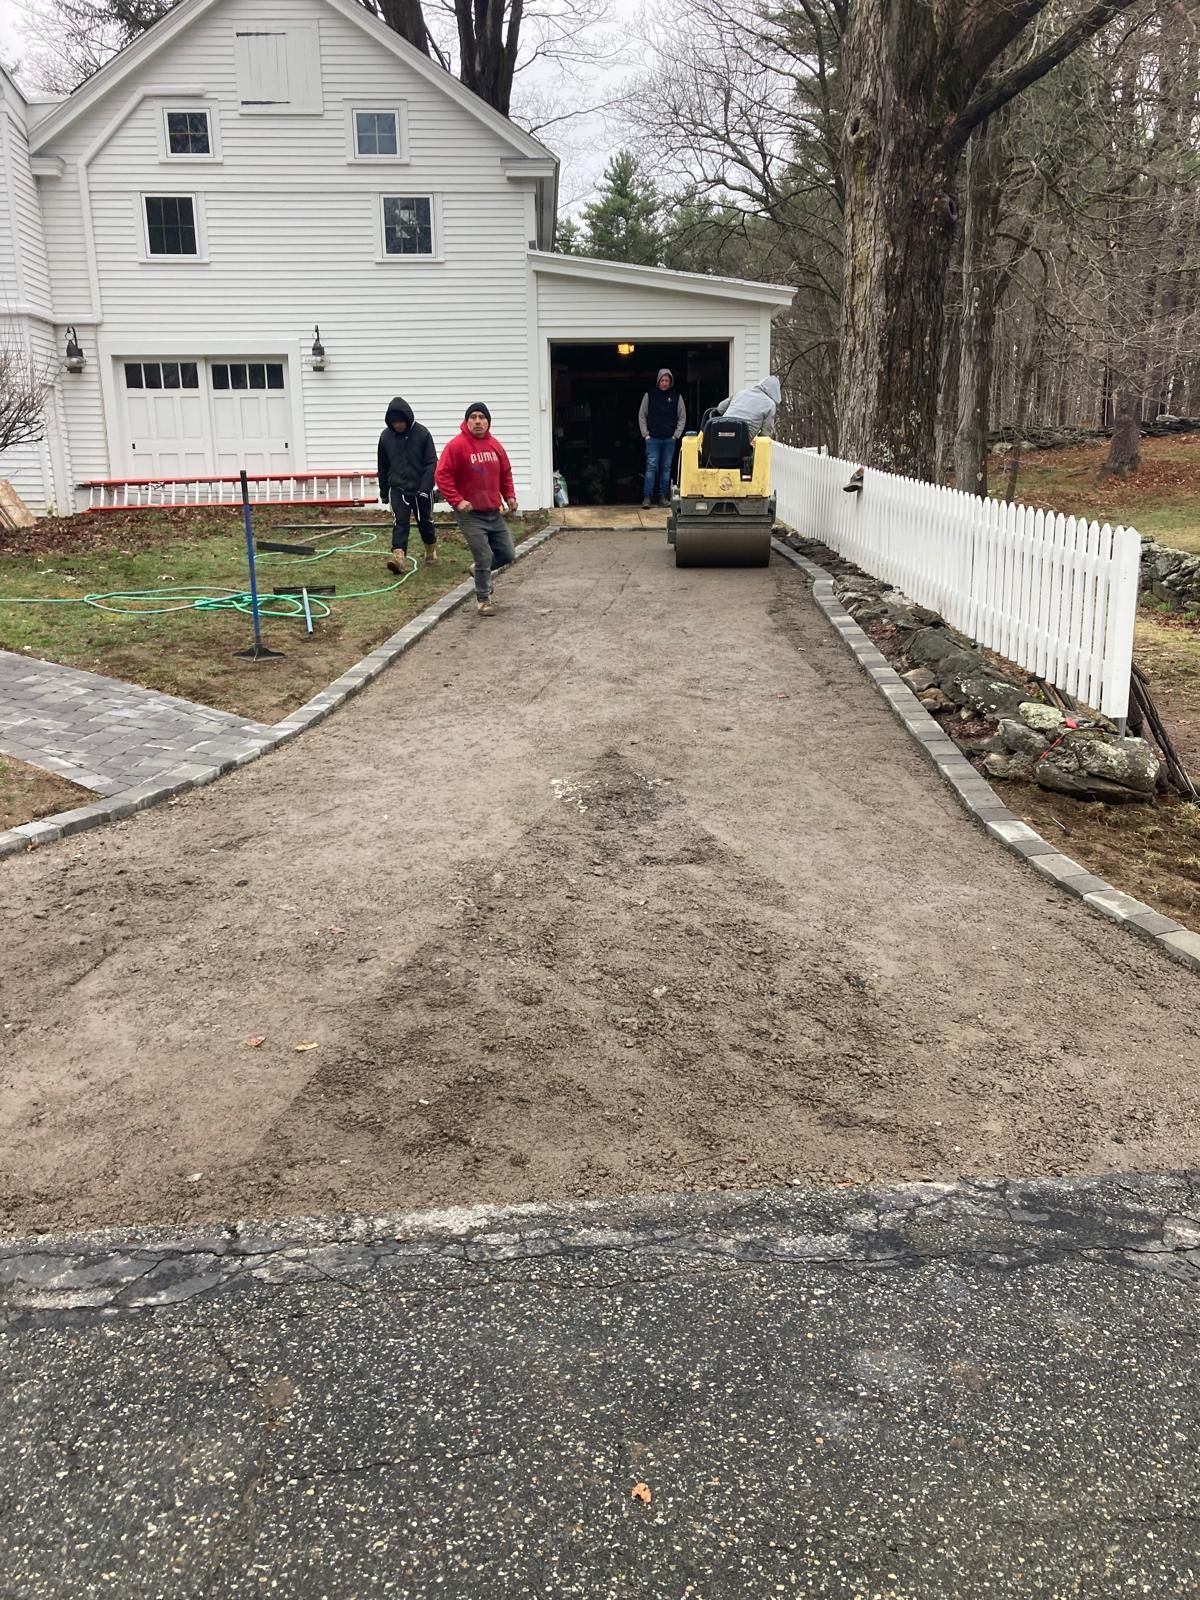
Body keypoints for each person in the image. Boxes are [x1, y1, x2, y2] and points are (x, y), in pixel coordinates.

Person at [435, 402, 517, 618]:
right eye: (473, 417)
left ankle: (477, 570)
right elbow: (442, 475)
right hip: (470, 514)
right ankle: (483, 599)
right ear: (467, 420)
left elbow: (505, 473)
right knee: (484, 555)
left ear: (488, 421)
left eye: (482, 417)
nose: (478, 421)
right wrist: (457, 500)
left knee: (507, 553)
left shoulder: (495, 446)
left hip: (493, 510)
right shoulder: (457, 446)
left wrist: (509, 496)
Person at [377, 395, 438, 573]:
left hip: (420, 489)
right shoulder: (385, 437)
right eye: (394, 423)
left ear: (407, 418)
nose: (398, 425)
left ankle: (430, 551)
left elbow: (431, 462)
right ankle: (399, 558)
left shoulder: (422, 434)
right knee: (400, 523)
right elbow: (383, 465)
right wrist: (383, 491)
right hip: (398, 488)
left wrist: (426, 488)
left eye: (400, 422)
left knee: (425, 522)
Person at [638, 368, 685, 509]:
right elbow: (642, 415)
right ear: (658, 381)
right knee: (651, 467)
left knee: (666, 469)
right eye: (662, 380)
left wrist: (676, 435)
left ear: (670, 382)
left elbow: (682, 417)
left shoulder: (676, 396)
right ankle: (647, 497)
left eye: (667, 380)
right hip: (652, 439)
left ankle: (663, 497)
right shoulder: (649, 395)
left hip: (669, 440)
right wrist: (645, 434)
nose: (664, 383)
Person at [714, 375, 782, 439]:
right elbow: (766, 433)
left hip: (719, 431)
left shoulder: (741, 393)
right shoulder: (770, 404)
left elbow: (720, 408)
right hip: (742, 439)